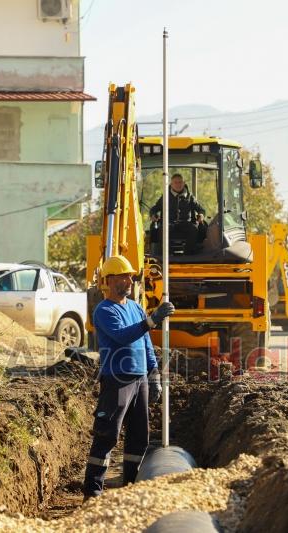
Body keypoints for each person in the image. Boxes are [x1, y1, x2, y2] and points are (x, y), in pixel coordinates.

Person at [82, 255, 175, 500]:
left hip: (140, 379)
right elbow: (124, 336)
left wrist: (153, 373)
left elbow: (145, 343)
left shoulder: (134, 307)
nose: (131, 279)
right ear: (111, 280)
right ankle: (93, 492)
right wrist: (152, 320)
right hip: (117, 380)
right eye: (126, 276)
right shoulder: (103, 310)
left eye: (131, 276)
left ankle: (130, 486)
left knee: (139, 436)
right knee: (108, 434)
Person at [149, 173, 206, 252]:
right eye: (175, 182)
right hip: (169, 223)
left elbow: (201, 210)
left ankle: (189, 253)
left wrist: (201, 215)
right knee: (162, 229)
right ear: (171, 184)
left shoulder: (190, 197)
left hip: (186, 223)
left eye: (180, 182)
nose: (178, 184)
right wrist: (153, 215)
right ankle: (167, 253)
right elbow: (154, 209)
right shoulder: (165, 197)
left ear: (184, 183)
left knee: (194, 229)